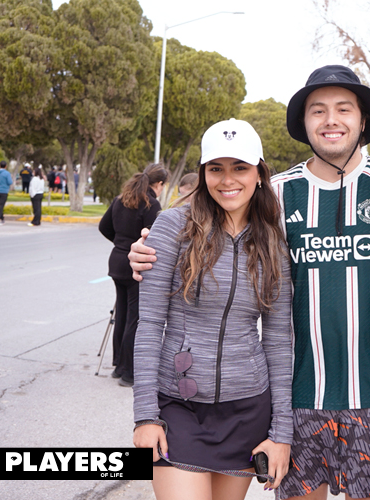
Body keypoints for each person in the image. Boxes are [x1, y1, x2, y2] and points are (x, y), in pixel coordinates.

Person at [128, 65, 370, 500]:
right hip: (299, 401)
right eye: (318, 111)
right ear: (304, 123)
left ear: (362, 120)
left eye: (343, 109)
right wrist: (145, 249)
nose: (331, 120)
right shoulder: (276, 195)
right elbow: (212, 224)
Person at [131, 119, 293, 500]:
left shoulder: (273, 241)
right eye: (215, 168)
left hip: (247, 411)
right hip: (178, 408)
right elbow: (150, 324)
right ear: (203, 174)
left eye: (240, 167)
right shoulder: (173, 226)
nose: (227, 179)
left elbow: (279, 340)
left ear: (259, 172)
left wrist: (281, 431)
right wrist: (145, 415)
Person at [99, 163, 168, 387]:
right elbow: (154, 238)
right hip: (134, 264)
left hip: (117, 260)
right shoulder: (151, 203)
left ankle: (119, 365)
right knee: (134, 319)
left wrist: (120, 244)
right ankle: (129, 372)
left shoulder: (122, 198)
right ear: (159, 184)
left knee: (122, 314)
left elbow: (104, 227)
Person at [0, 160, 13, 226]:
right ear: (6, 166)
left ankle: (2, 218)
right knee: (1, 205)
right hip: (4, 191)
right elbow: (10, 182)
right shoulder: (7, 173)